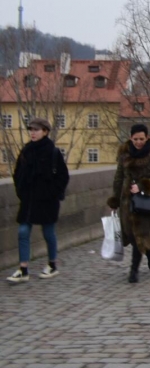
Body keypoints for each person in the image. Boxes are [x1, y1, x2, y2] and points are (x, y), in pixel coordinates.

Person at [7, 117, 70, 284]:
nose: (32, 133)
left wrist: (50, 193)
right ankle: (23, 269)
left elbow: (63, 177)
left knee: (48, 232)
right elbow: (18, 173)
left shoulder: (53, 152)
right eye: (31, 130)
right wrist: (21, 191)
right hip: (28, 200)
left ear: (45, 132)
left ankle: (52, 264)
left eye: (36, 130)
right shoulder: (26, 150)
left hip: (47, 201)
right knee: (23, 232)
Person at [107, 124, 150, 284]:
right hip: (127, 201)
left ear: (147, 137)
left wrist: (142, 186)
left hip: (145, 201)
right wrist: (115, 199)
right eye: (135, 139)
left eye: (141, 139)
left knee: (142, 234)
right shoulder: (124, 152)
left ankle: (136, 268)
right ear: (130, 138)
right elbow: (119, 177)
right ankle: (146, 254)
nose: (138, 142)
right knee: (132, 235)